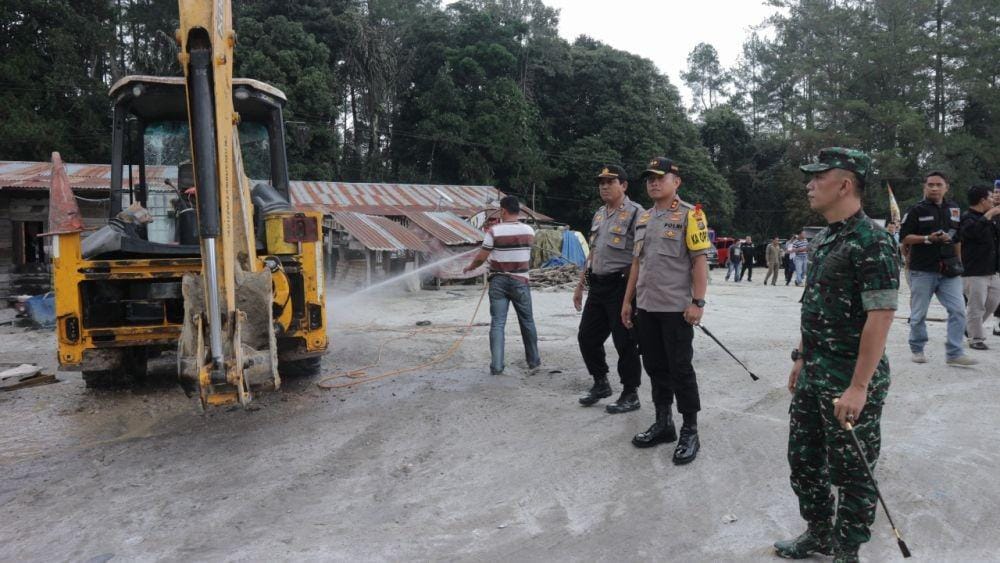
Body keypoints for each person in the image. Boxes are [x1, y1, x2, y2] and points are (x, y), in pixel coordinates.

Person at [776, 147, 900, 563]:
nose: (809, 184)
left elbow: (880, 317)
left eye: (818, 177)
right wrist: (800, 356)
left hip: (850, 376)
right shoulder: (827, 237)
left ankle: (847, 550)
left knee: (852, 472)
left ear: (845, 184)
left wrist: (859, 387)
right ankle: (818, 535)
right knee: (804, 461)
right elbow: (814, 304)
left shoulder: (873, 241)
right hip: (815, 371)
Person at [621, 157, 710, 465]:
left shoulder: (691, 215)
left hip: (676, 309)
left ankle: (690, 430)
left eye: (660, 177)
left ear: (676, 181)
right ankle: (663, 423)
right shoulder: (644, 218)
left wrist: (697, 302)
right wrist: (627, 301)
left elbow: (700, 261)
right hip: (646, 307)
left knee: (680, 370)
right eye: (649, 178)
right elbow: (637, 263)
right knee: (655, 368)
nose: (653, 182)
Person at [573, 165, 644, 412]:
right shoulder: (599, 214)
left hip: (622, 286)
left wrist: (634, 294)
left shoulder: (637, 214)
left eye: (609, 182)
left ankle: (630, 392)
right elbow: (592, 252)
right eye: (601, 182)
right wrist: (581, 284)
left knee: (624, 342)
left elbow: (641, 257)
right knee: (587, 337)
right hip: (598, 285)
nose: (603, 186)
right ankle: (601, 382)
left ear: (623, 185)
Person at [898, 171, 977, 366]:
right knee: (918, 314)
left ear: (946, 187)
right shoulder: (916, 210)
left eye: (938, 184)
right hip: (923, 269)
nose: (934, 188)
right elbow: (904, 237)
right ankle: (917, 348)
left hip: (949, 271)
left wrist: (959, 262)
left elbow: (957, 237)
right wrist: (927, 238)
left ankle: (954, 353)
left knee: (958, 310)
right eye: (930, 184)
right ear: (924, 187)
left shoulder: (954, 209)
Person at [463, 196, 540, 375]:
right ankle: (534, 361)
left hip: (498, 281)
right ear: (518, 211)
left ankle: (497, 367)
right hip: (521, 281)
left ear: (503, 211)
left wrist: (470, 267)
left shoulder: (493, 231)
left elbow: (481, 257)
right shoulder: (529, 231)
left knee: (497, 323)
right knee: (527, 321)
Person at [959, 185, 1000, 350]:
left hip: (992, 269)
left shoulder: (990, 220)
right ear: (982, 200)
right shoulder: (967, 218)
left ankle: (968, 328)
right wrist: (990, 214)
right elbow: (972, 233)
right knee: (976, 305)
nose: (993, 200)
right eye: (991, 197)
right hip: (974, 271)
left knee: (993, 301)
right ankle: (976, 338)